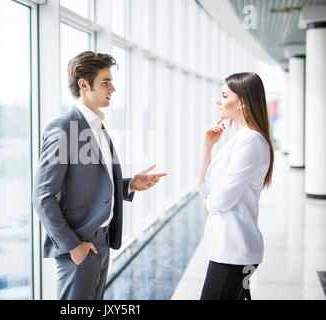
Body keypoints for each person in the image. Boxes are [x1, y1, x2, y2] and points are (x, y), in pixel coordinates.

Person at [32, 51, 166, 300]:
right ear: (83, 85)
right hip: (80, 245)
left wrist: (130, 185)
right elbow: (42, 196)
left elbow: (90, 183)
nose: (112, 89)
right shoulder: (63, 129)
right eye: (106, 82)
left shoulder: (97, 126)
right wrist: (73, 247)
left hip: (102, 242)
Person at [196, 72, 274, 300]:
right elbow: (203, 188)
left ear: (242, 102)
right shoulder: (239, 140)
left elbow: (219, 200)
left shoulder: (251, 142)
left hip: (234, 251)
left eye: (223, 95)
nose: (218, 101)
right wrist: (207, 147)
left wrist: (210, 201)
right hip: (229, 249)